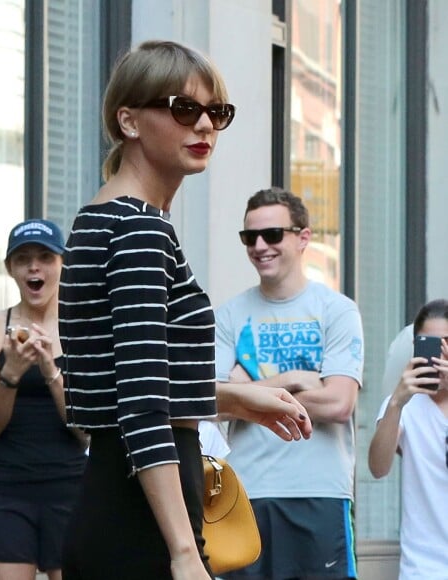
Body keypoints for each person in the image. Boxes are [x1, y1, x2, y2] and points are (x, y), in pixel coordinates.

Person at [58, 41, 311, 580]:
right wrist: (181, 550)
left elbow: (115, 379)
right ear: (128, 120)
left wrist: (235, 398)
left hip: (119, 498)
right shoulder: (139, 229)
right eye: (182, 108)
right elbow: (141, 402)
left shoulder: (99, 218)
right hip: (144, 516)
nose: (203, 126)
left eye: (215, 112)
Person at [215, 187, 364, 580]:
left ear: (303, 238)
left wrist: (248, 389)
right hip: (244, 494)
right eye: (250, 237)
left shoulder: (337, 310)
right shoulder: (229, 315)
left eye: (273, 235)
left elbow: (338, 404)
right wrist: (295, 381)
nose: (260, 246)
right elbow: (209, 401)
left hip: (320, 493)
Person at [0, 219, 87, 580]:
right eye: (23, 259)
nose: (34, 267)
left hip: (72, 485)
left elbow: (86, 432)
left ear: (62, 264)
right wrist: (12, 373)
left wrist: (50, 369)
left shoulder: (84, 328)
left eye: (45, 257)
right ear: (10, 269)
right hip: (6, 488)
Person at [368, 299, 448, 580]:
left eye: (446, 344)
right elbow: (378, 468)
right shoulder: (403, 405)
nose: (439, 355)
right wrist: (396, 404)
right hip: (422, 569)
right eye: (430, 344)